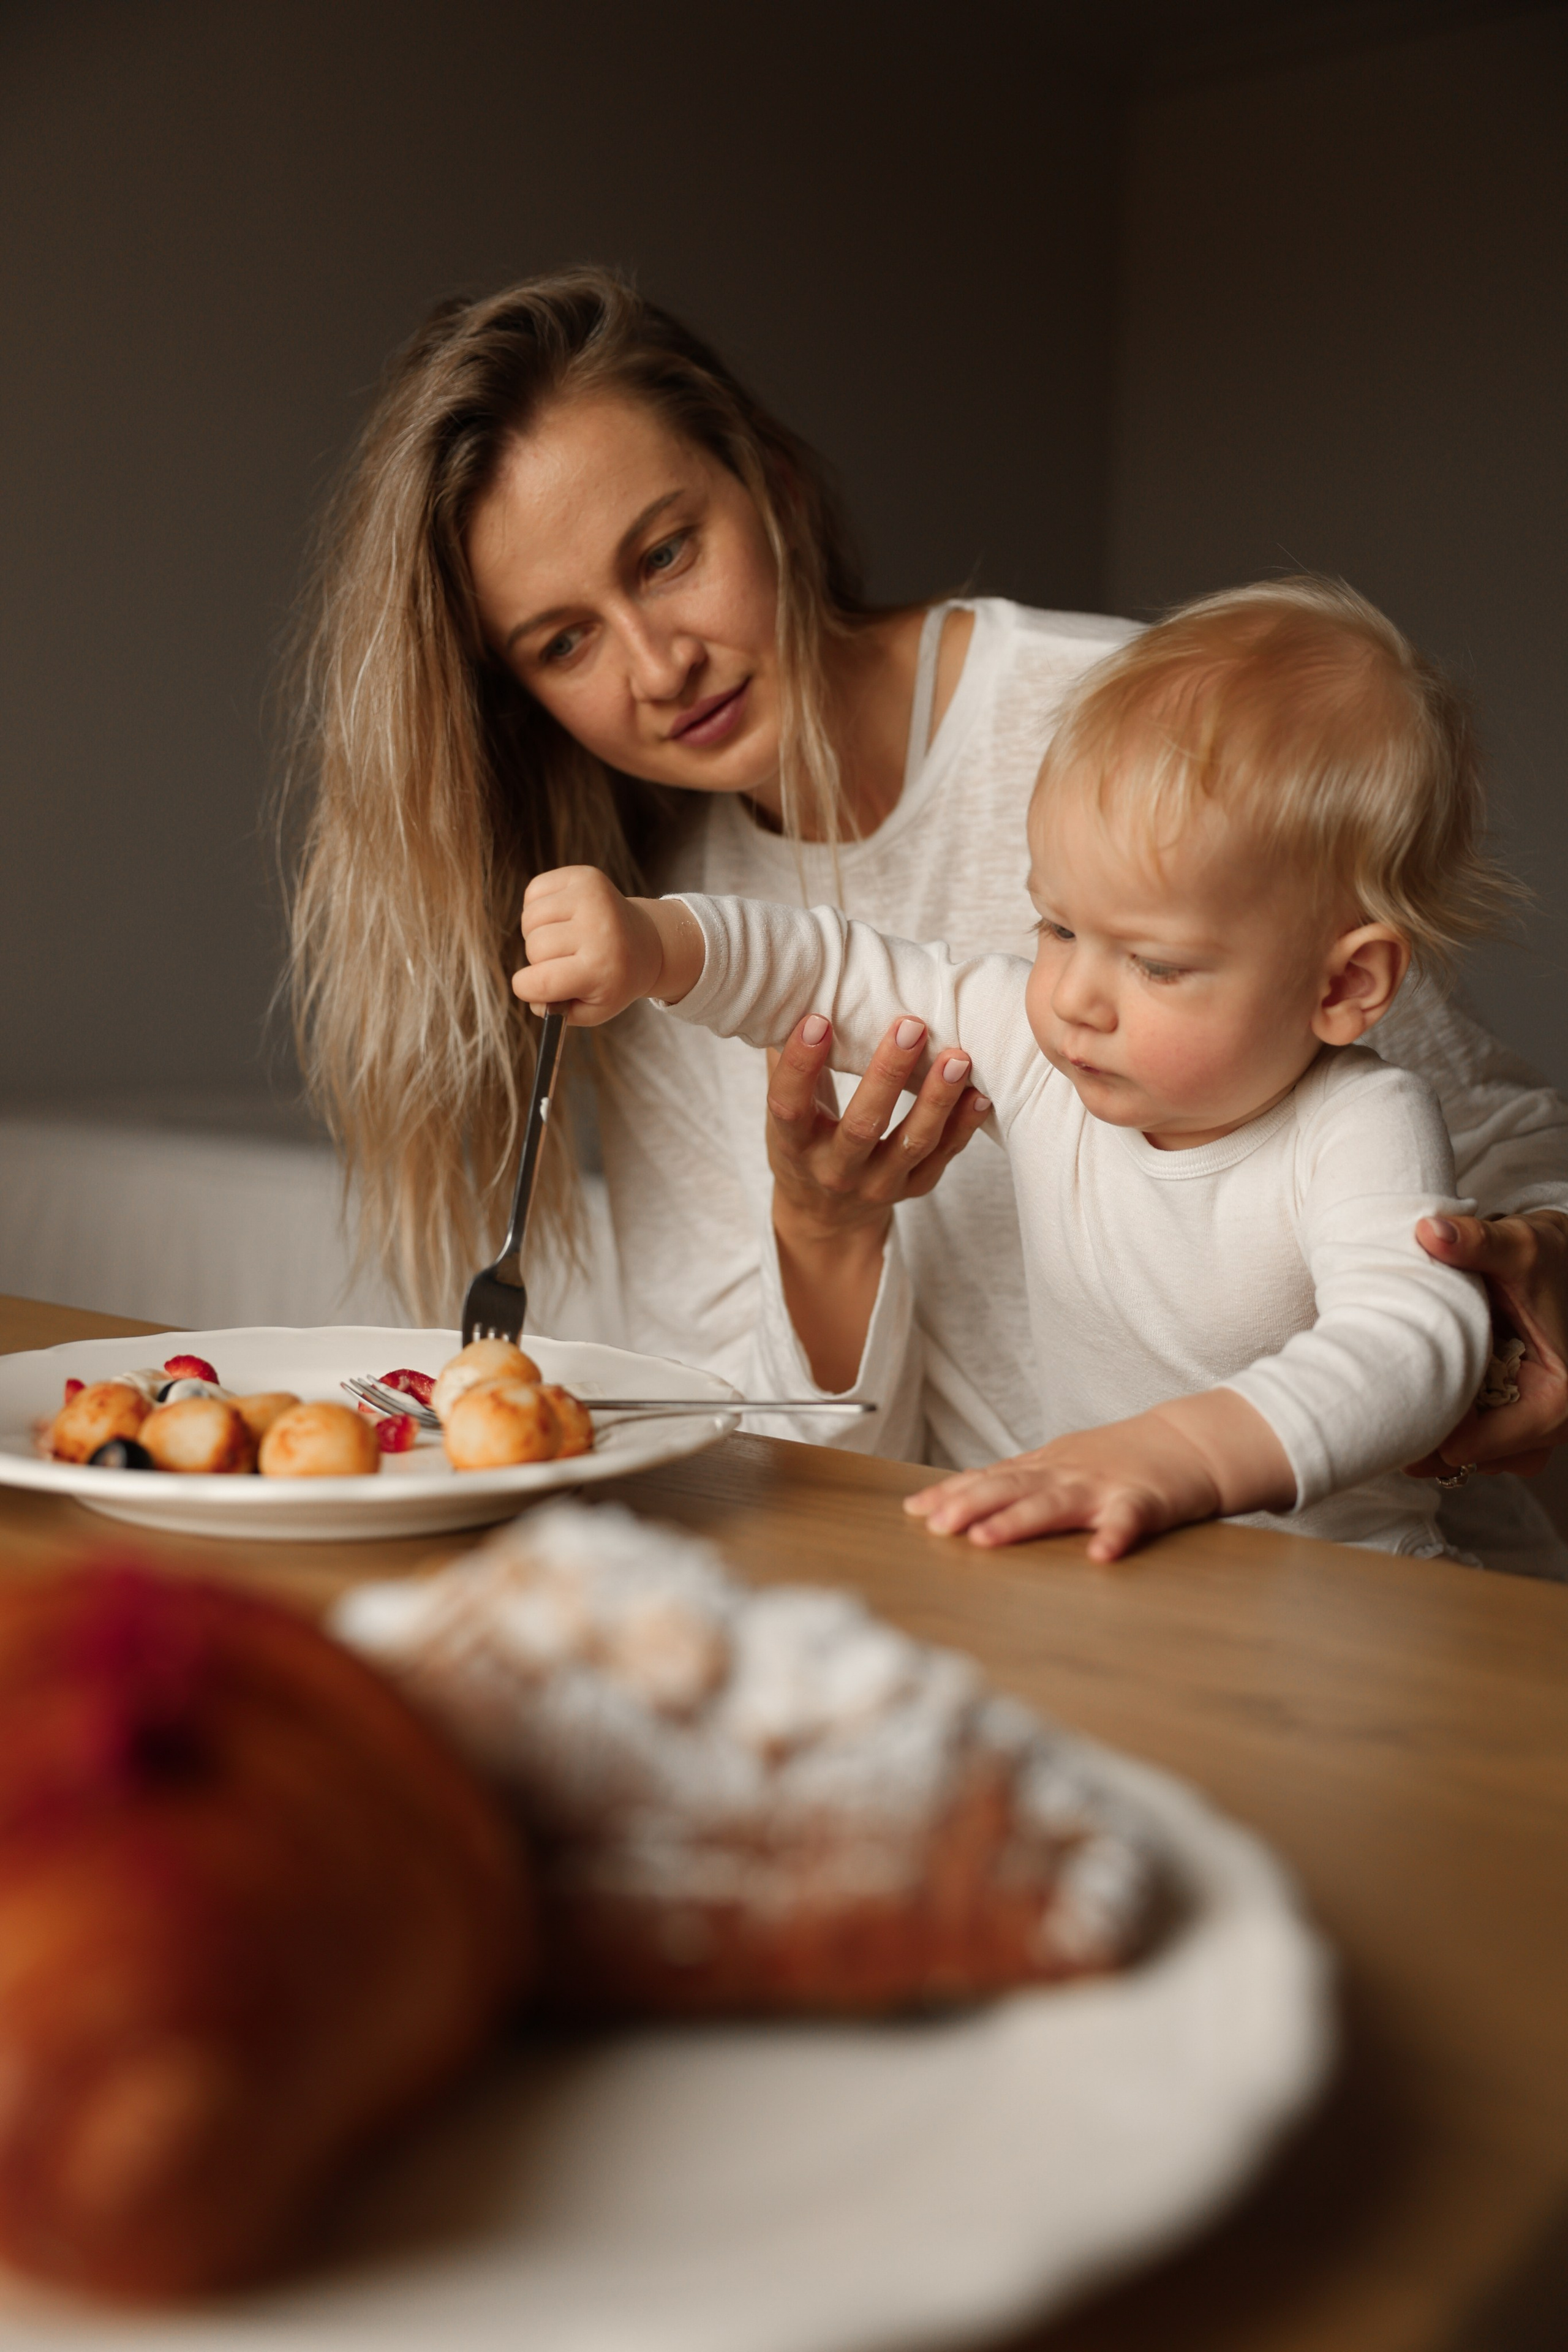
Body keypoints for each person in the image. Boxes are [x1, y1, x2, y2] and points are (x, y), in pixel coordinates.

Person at [284, 268, 1568, 1573]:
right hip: (1023, 1578)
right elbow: (761, 1456)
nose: (657, 664)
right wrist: (821, 1234)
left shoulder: (1140, 751)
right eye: (564, 643)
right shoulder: (662, 925)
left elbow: (1489, 1157)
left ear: (768, 484)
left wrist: (1535, 1263)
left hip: (1372, 1594)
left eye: (667, 555)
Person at [511, 580, 1506, 1560]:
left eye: (1155, 964)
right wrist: (655, 944)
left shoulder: (1364, 1125)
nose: (1076, 995)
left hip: (1349, 1611)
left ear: (1344, 985)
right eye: (1058, 927)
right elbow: (832, 967)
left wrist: (1177, 1454)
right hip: (1123, 1578)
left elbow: (1417, 1340)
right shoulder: (1039, 1055)